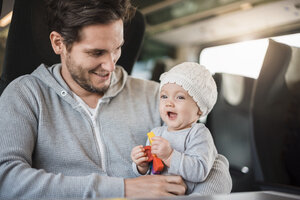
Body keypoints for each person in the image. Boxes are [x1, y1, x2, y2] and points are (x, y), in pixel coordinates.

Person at [0, 0, 232, 199]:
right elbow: (7, 180)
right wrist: (124, 189)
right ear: (59, 43)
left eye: (117, 48)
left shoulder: (157, 96)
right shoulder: (25, 95)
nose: (111, 65)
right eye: (96, 53)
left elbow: (213, 163)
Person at [131, 62, 218, 194]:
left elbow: (200, 172)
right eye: (164, 96)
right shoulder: (155, 133)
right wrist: (141, 165)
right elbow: (148, 173)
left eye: (180, 97)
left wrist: (170, 156)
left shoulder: (199, 133)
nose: (169, 103)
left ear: (199, 109)